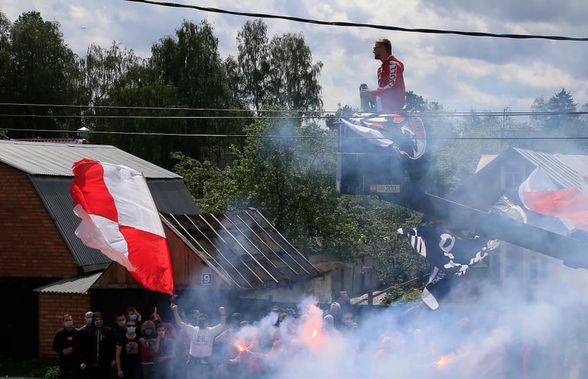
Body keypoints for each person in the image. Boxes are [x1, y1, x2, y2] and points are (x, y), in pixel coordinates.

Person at [172, 303, 226, 379]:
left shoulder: (211, 331)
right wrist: (175, 311)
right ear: (197, 322)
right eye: (200, 320)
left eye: (203, 320)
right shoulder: (193, 329)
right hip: (193, 361)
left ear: (207, 322)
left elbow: (222, 325)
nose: (201, 321)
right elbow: (179, 323)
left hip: (206, 361)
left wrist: (223, 313)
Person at [368, 38, 406, 113]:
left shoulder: (393, 65)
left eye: (375, 48)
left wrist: (372, 93)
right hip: (384, 113)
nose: (373, 51)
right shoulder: (380, 70)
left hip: (395, 113)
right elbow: (381, 92)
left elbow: (392, 87)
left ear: (383, 49)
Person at [78, 312, 115, 379]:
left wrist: (113, 359)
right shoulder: (87, 332)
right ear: (93, 321)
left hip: (105, 364)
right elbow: (83, 348)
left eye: (100, 319)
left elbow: (112, 346)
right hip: (91, 364)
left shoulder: (109, 331)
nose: (98, 321)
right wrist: (83, 361)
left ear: (103, 320)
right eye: (96, 320)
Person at [52, 314, 79, 379]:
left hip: (75, 360)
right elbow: (54, 346)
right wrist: (62, 351)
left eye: (70, 320)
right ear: (63, 322)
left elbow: (82, 345)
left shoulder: (78, 333)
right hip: (63, 360)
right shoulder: (59, 333)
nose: (68, 321)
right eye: (66, 320)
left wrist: (73, 348)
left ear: (72, 321)